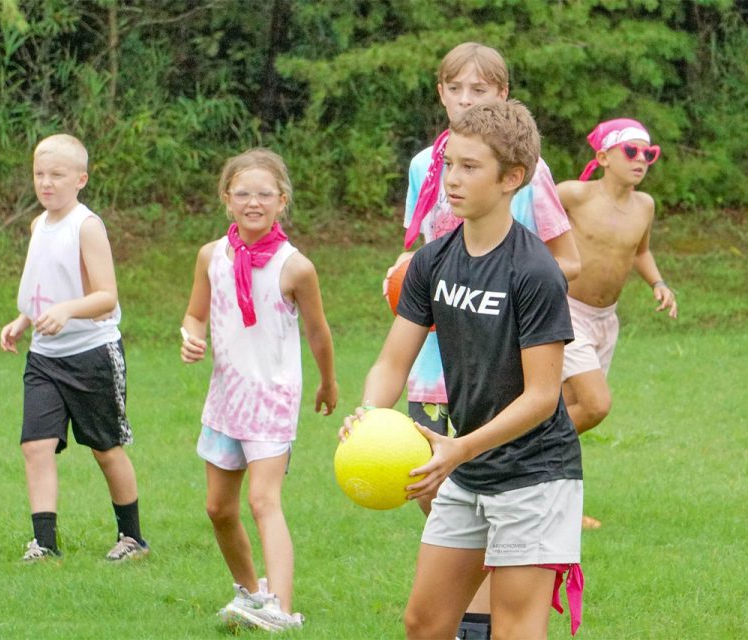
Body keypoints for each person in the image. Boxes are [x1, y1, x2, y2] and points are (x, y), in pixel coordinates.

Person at [342, 99, 583, 640]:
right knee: (424, 624)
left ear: (511, 178)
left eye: (470, 167)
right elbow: (392, 360)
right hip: (467, 464)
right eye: (450, 163)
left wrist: (460, 448)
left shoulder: (535, 271)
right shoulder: (432, 261)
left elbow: (543, 396)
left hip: (534, 474)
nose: (452, 178)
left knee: (516, 629)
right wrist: (368, 415)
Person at [180, 148, 337, 632]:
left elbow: (318, 332)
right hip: (226, 398)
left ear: (281, 201)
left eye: (264, 194)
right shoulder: (211, 256)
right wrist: (192, 336)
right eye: (243, 193)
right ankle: (251, 593)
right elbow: (195, 314)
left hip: (273, 398)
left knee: (263, 501)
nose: (253, 202)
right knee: (218, 507)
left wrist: (328, 380)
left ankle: (282, 610)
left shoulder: (296, 267)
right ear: (227, 199)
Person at [0, 133, 149, 562]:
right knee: (36, 445)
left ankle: (133, 538)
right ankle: (44, 544)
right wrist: (24, 318)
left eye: (57, 175)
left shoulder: (87, 226)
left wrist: (68, 311)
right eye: (39, 174)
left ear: (80, 179)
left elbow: (107, 297)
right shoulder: (37, 225)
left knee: (105, 448)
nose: (46, 183)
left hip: (92, 355)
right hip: (44, 357)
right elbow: (44, 283)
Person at [556, 118, 677, 529]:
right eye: (632, 151)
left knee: (563, 410)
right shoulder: (573, 194)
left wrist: (658, 283)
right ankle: (520, 444)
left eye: (649, 153)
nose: (641, 159)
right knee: (593, 405)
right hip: (564, 312)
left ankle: (559, 506)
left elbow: (639, 252)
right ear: (604, 157)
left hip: (606, 321)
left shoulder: (645, 205)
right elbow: (527, 224)